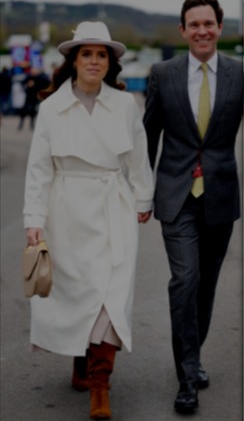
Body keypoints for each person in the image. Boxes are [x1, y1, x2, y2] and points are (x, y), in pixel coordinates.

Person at [23, 21, 154, 419]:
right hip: (66, 213)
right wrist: (34, 218)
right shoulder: (50, 108)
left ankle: (101, 384)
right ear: (73, 59)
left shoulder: (125, 106)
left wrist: (143, 197)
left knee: (110, 295)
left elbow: (137, 158)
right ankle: (83, 360)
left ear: (110, 62)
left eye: (101, 54)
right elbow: (38, 168)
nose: (94, 61)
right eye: (87, 53)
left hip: (113, 207)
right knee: (76, 292)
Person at [143, 0, 243, 414]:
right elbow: (147, 137)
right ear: (183, 31)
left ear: (219, 28)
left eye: (209, 23)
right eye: (194, 24)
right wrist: (142, 192)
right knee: (184, 282)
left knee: (205, 288)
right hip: (176, 194)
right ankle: (187, 377)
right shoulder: (162, 74)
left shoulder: (241, 74)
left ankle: (193, 353)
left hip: (219, 196)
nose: (202, 31)